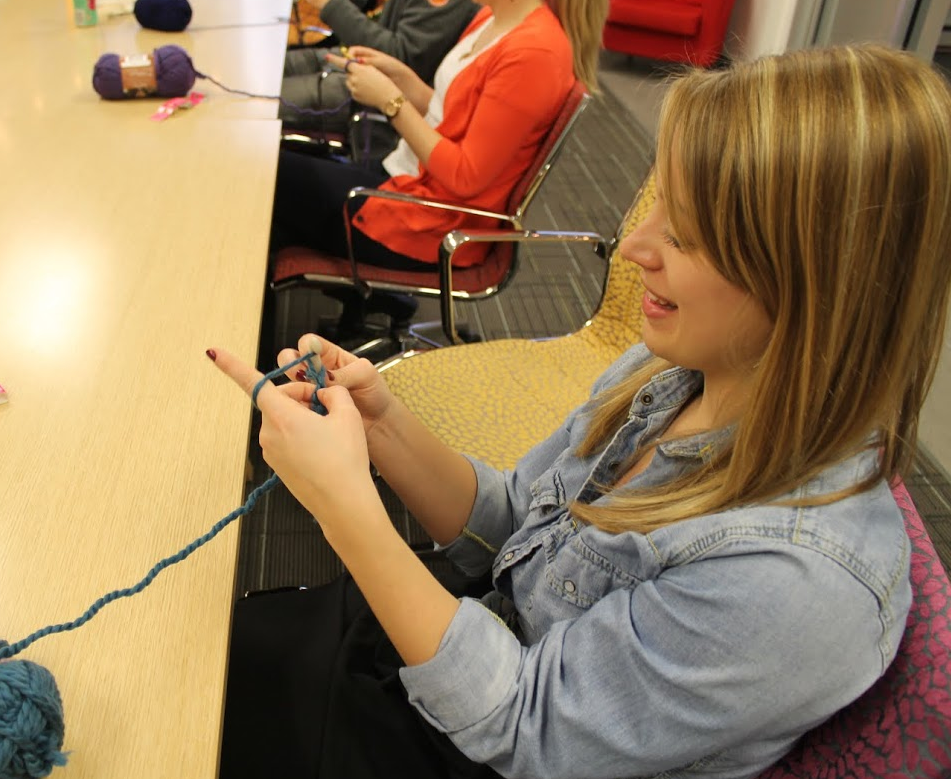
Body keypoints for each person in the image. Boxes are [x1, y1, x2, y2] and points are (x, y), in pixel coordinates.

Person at [210, 43, 951, 778]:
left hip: (484, 737)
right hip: (470, 647)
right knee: (204, 651)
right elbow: (513, 523)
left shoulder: (795, 584)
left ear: (815, 285)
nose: (631, 246)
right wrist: (381, 426)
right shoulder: (672, 372)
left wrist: (344, 507)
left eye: (686, 234)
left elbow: (521, 729)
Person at [270, 0, 609, 339]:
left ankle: (257, 342)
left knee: (265, 183)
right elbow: (455, 114)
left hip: (432, 221)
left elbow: (465, 175)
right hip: (405, 180)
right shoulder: (492, 18)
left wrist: (391, 101)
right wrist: (403, 81)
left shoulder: (535, 52)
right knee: (269, 181)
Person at [282, 0, 480, 135]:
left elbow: (400, 59)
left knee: (260, 101)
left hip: (373, 95)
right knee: (266, 71)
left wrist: (330, 4)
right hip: (356, 60)